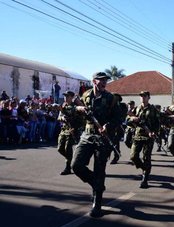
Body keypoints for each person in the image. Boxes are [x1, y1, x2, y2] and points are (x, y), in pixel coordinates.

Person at [72, 72, 121, 218]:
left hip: (103, 138)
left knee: (99, 169)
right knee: (76, 165)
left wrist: (108, 125)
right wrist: (78, 109)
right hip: (87, 135)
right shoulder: (86, 95)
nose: (104, 83)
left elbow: (119, 117)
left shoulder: (111, 98)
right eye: (101, 80)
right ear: (94, 81)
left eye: (106, 81)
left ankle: (97, 203)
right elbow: (74, 111)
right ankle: (96, 184)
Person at [127, 91, 160, 188]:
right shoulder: (136, 109)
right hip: (137, 136)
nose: (142, 98)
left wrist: (154, 132)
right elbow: (127, 121)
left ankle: (145, 179)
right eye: (141, 96)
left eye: (144, 96)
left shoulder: (153, 109)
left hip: (148, 137)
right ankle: (144, 168)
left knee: (146, 158)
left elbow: (157, 123)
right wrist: (132, 119)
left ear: (149, 97)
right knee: (133, 156)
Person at [57, 91, 80, 175]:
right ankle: (72, 159)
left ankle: (68, 167)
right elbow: (59, 117)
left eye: (68, 96)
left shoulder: (76, 107)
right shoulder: (63, 105)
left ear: (72, 97)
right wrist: (62, 118)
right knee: (60, 149)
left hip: (71, 130)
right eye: (65, 96)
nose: (65, 98)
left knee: (68, 149)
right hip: (63, 130)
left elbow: (80, 120)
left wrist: (75, 126)